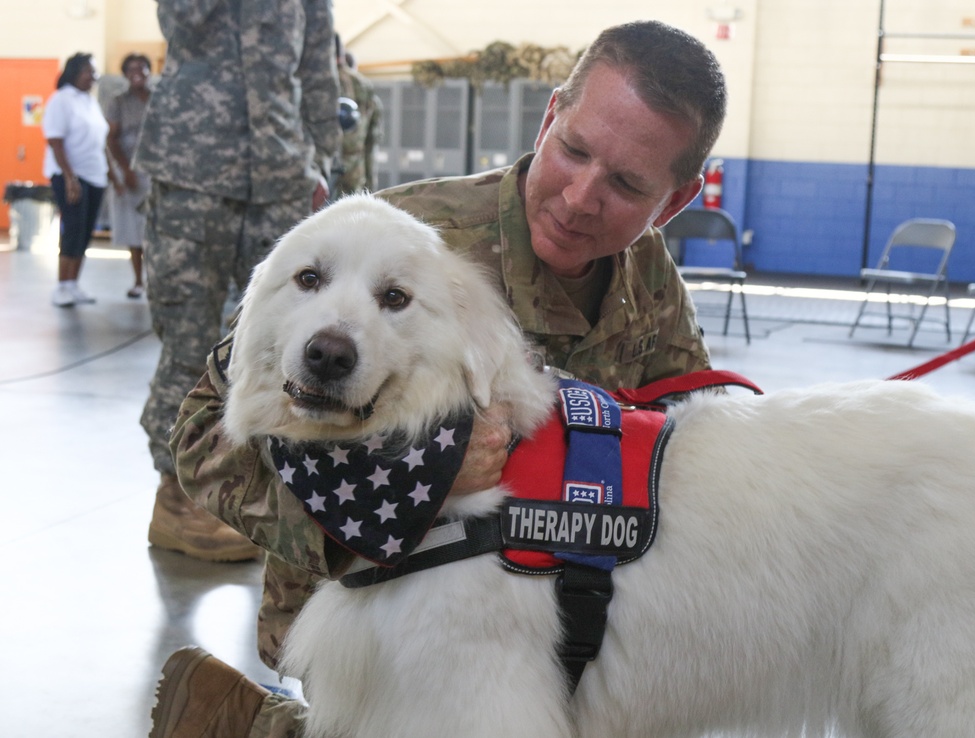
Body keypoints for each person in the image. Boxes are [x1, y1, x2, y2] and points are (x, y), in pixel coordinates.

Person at [151, 20, 726, 738]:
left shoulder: (647, 283)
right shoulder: (404, 241)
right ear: (550, 117)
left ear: (672, 202)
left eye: (626, 184)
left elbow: (693, 435)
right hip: (366, 613)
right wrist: (399, 487)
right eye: (574, 151)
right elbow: (202, 432)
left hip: (557, 612)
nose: (581, 197)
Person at [133, 0, 341, 563]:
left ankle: (279, 499)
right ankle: (177, 499)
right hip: (192, 169)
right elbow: (180, 20)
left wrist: (325, 156)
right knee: (187, 340)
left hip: (279, 174)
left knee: (282, 344)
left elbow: (318, 68)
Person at [43, 53, 109, 308]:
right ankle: (61, 286)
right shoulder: (61, 100)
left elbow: (100, 141)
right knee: (72, 229)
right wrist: (70, 178)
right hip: (71, 175)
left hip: (95, 175)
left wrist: (111, 174)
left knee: (85, 231)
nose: (93, 77)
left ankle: (73, 284)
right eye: (88, 72)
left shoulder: (89, 101)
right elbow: (55, 141)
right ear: (74, 72)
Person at [105, 53, 153, 299]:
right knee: (134, 232)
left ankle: (156, 281)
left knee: (156, 231)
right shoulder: (119, 102)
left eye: (142, 68)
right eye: (131, 68)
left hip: (156, 172)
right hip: (131, 173)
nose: (137, 72)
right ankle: (138, 281)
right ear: (125, 73)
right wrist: (125, 171)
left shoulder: (158, 99)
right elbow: (111, 138)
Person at [333, 34, 383, 197]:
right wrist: (371, 186)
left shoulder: (318, 81)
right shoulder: (363, 84)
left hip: (321, 169)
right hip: (354, 169)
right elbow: (372, 140)